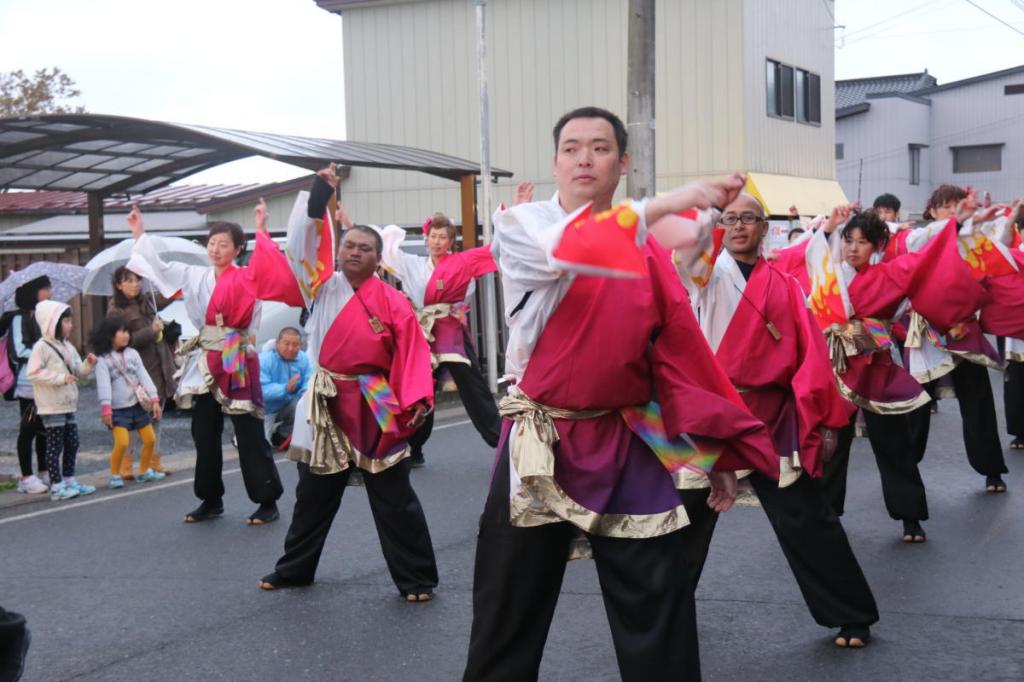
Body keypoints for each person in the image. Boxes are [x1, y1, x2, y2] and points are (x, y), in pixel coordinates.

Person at [462, 106, 780, 682]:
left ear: (623, 162)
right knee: (508, 611)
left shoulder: (651, 250)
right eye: (573, 147)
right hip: (540, 440)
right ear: (556, 161)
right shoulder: (523, 225)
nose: (585, 157)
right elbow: (574, 247)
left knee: (658, 603)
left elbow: (677, 359)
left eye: (601, 147)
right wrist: (675, 199)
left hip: (624, 434)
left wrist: (712, 452)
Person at [672, 192, 877, 648]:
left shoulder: (786, 285)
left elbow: (810, 356)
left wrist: (820, 420)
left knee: (807, 517)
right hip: (710, 417)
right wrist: (709, 209)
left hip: (770, 416)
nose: (740, 226)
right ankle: (664, 616)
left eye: (749, 218)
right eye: (730, 219)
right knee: (684, 524)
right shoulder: (703, 276)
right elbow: (688, 252)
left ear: (766, 228)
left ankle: (851, 613)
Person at [254, 187, 438, 602]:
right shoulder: (317, 287)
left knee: (394, 493)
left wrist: (417, 400)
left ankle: (417, 578)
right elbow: (304, 240)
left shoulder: (393, 301)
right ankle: (295, 569)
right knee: (313, 494)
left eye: (365, 248)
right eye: (349, 245)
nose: (355, 252)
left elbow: (411, 353)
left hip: (375, 396)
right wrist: (319, 194)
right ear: (338, 251)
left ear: (378, 259)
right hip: (324, 397)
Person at [774, 207, 987, 542]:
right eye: (848, 240)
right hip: (837, 369)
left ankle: (910, 516)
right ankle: (827, 514)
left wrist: (956, 224)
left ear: (876, 246)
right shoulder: (828, 275)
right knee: (833, 445)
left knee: (893, 444)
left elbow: (930, 259)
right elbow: (793, 262)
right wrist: (827, 228)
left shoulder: (890, 274)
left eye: (863, 242)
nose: (853, 248)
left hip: (877, 369)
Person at [126, 205, 295, 525]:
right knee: (203, 431)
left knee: (248, 430)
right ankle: (210, 498)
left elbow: (268, 268)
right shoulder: (194, 275)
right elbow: (158, 268)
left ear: (237, 249)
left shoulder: (247, 277)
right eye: (212, 243)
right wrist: (139, 233)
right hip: (206, 356)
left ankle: (266, 499)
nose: (216, 249)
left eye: (223, 244)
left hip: (236, 353)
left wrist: (262, 227)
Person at [364, 209, 500, 465]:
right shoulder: (413, 264)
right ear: (426, 238)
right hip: (422, 333)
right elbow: (385, 251)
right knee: (420, 392)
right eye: (433, 236)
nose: (436, 241)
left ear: (451, 242)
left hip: (451, 332)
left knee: (473, 388)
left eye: (442, 237)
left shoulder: (461, 263)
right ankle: (414, 448)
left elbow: (488, 259)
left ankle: (501, 441)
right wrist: (349, 224)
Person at [901, 185, 1009, 493]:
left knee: (978, 402)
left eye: (956, 206)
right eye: (945, 206)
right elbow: (929, 239)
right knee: (916, 407)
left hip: (962, 330)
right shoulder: (918, 237)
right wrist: (957, 222)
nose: (951, 211)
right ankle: (906, 473)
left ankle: (991, 470)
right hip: (926, 333)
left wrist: (993, 219)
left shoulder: (969, 239)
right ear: (932, 211)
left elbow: (998, 253)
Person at [107, 266, 177, 477]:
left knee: (156, 416)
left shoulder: (147, 300)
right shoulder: (115, 310)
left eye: (137, 279)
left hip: (160, 365)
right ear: (119, 285)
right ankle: (125, 464)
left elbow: (166, 297)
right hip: (135, 372)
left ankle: (153, 461)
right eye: (128, 280)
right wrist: (151, 331)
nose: (135, 284)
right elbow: (119, 342)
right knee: (131, 419)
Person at [26, 300, 97, 501]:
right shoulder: (41, 347)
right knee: (55, 445)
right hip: (50, 405)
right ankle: (56, 486)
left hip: (67, 403)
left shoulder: (67, 346)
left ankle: (69, 480)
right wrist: (59, 379)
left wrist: (88, 364)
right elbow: (33, 372)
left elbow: (77, 370)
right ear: (53, 322)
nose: (70, 325)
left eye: (70, 320)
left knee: (72, 442)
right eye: (66, 320)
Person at [92, 315, 164, 489]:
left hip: (137, 406)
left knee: (150, 439)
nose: (125, 335)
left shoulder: (133, 354)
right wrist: (106, 408)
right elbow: (103, 386)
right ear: (109, 335)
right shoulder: (103, 360)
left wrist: (154, 398)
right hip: (117, 409)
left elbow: (144, 376)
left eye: (127, 332)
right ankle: (115, 474)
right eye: (120, 332)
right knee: (122, 442)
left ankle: (145, 470)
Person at [8, 276, 50, 495]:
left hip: (46, 381)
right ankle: (26, 476)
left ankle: (44, 471)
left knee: (45, 428)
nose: (49, 291)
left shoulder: (44, 316)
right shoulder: (19, 318)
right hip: (28, 383)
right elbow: (18, 352)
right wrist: (42, 354)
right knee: (28, 429)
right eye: (45, 288)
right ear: (33, 291)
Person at [258, 326, 312, 450]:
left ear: (301, 344)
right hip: (265, 409)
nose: (290, 348)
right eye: (286, 344)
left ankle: (281, 433)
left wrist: (305, 392)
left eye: (295, 345)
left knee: (305, 406)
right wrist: (285, 388)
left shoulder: (303, 358)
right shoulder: (264, 359)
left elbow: (309, 379)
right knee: (261, 448)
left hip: (288, 405)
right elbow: (261, 390)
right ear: (277, 343)